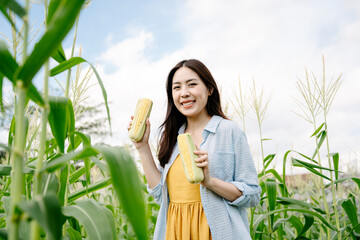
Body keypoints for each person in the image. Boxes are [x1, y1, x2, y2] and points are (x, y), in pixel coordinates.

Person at [128, 59, 261, 240]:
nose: (184, 93)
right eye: (177, 88)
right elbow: (160, 194)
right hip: (174, 232)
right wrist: (142, 147)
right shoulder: (172, 136)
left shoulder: (229, 131)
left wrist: (210, 182)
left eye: (192, 84)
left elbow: (252, 195)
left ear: (209, 89)